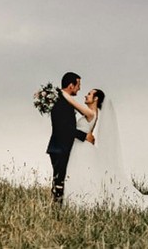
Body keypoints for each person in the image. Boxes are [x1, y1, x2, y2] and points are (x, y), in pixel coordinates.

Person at [61, 88, 148, 214]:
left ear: (96, 99)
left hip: (83, 148)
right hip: (80, 147)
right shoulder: (91, 113)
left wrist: (62, 94)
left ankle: (83, 202)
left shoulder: (91, 113)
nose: (86, 95)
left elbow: (74, 105)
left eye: (89, 94)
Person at [46, 72, 94, 203]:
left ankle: (58, 206)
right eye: (78, 85)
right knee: (60, 181)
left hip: (58, 146)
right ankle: (57, 209)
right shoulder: (62, 103)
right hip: (60, 147)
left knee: (59, 179)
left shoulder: (62, 100)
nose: (79, 88)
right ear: (71, 86)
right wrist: (84, 136)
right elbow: (66, 129)